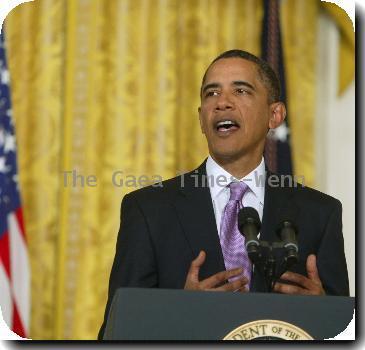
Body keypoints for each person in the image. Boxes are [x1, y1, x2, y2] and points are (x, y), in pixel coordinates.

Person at [98, 49, 349, 339]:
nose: (222, 103)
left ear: (275, 114)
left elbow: (345, 330)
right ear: (201, 119)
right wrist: (175, 312)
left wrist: (324, 313)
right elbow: (115, 333)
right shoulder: (148, 209)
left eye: (241, 91)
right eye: (211, 94)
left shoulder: (320, 213)